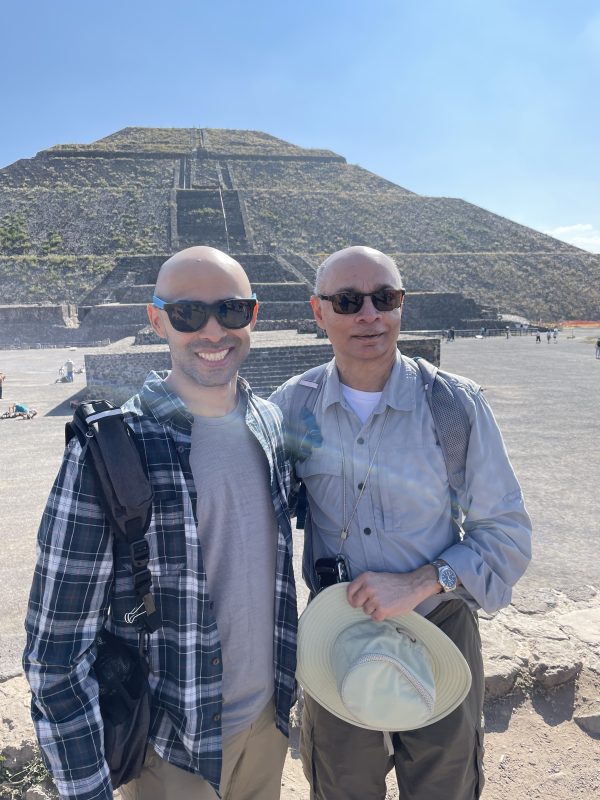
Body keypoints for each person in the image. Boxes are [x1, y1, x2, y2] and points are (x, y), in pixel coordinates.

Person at [23, 246, 297, 800]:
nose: (213, 330)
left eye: (231, 310)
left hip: (268, 727)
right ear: (156, 320)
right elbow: (54, 653)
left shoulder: (270, 424)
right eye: (188, 314)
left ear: (254, 315)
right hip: (171, 750)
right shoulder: (111, 452)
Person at [270, 246, 532, 800]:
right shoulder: (293, 410)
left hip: (440, 623)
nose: (368, 315)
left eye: (383, 298)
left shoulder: (454, 406)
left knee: (444, 785)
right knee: (343, 788)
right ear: (318, 312)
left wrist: (419, 583)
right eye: (347, 301)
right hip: (334, 634)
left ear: (401, 306)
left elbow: (506, 535)